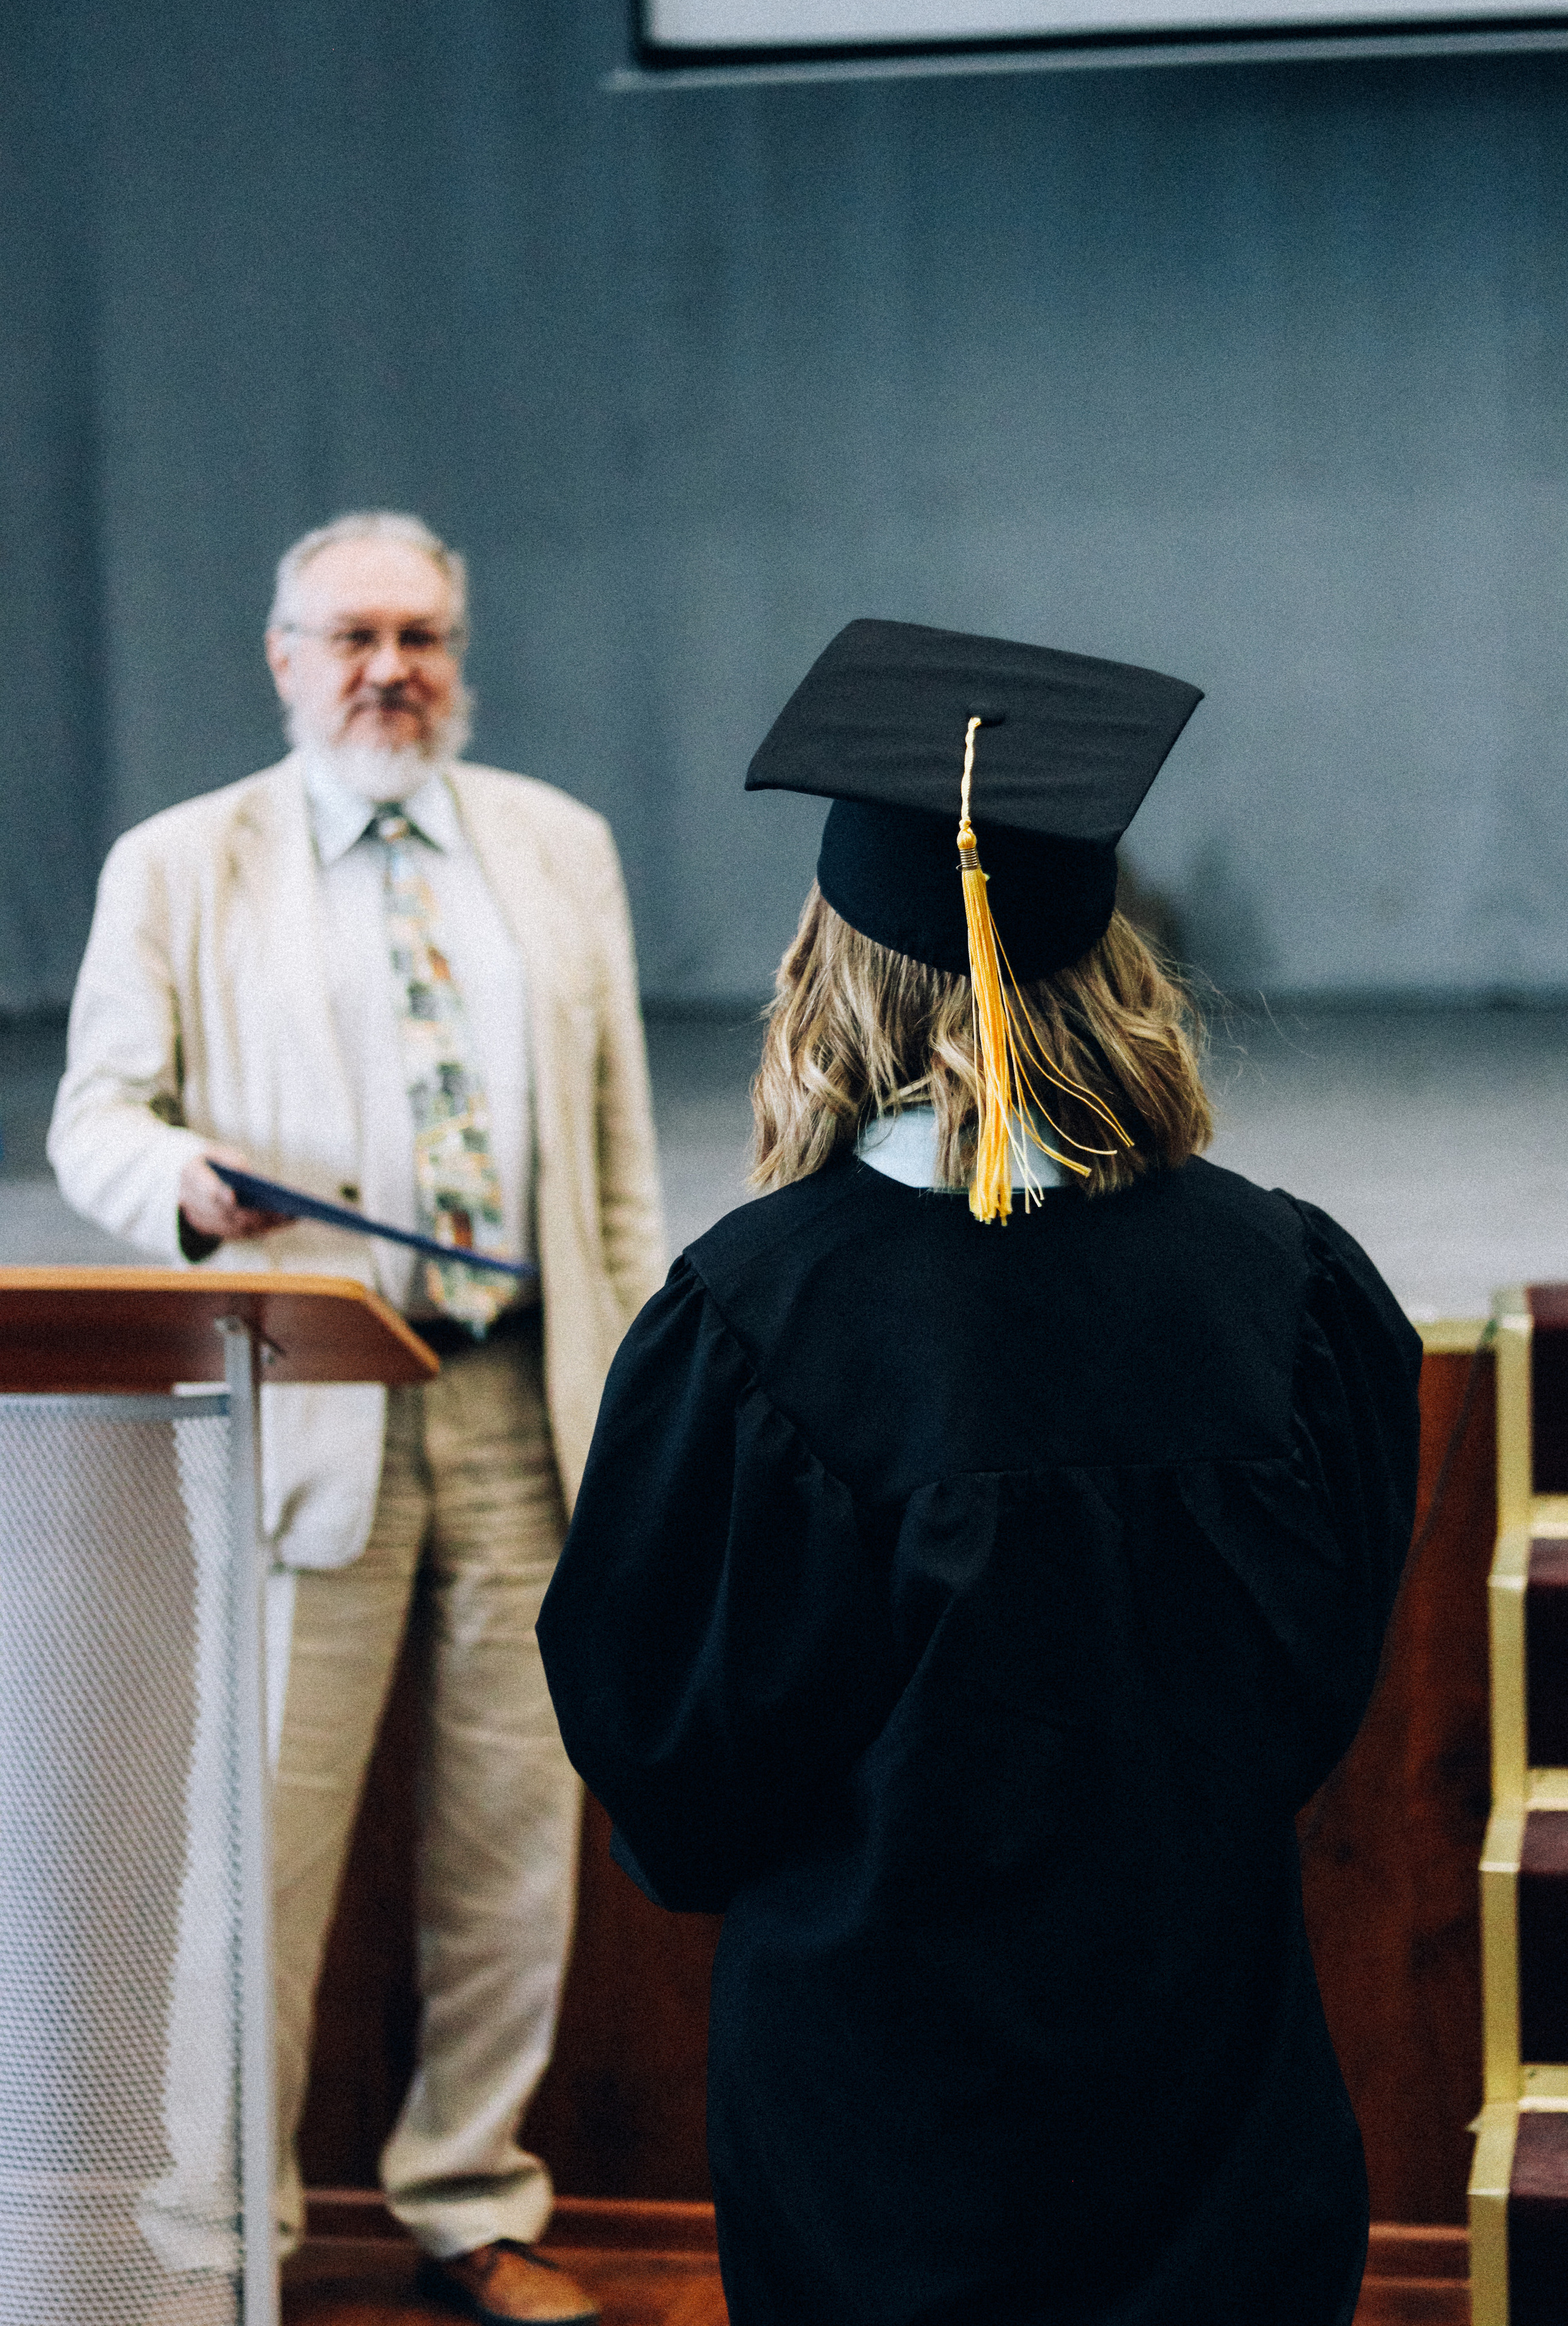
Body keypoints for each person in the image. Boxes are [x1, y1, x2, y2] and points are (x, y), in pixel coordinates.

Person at [537, 619, 1423, 2326]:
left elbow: (670, 1772)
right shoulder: (1295, 1293)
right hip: (1215, 2103)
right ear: (1112, 960)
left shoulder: (751, 1324)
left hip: (884, 2141)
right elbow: (1312, 1705)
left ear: (835, 967)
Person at [50, 511, 666, 2326]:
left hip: (523, 1407)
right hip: (299, 1406)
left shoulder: (559, 848)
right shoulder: (184, 863)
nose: (388, 668)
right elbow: (95, 1116)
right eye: (350, 637)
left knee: (513, 1847)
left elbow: (616, 1163)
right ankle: (211, 2248)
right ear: (283, 658)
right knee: (255, 1860)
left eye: (419, 635)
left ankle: (474, 2204)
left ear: (458, 654)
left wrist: (630, 1401)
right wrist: (182, 1180)